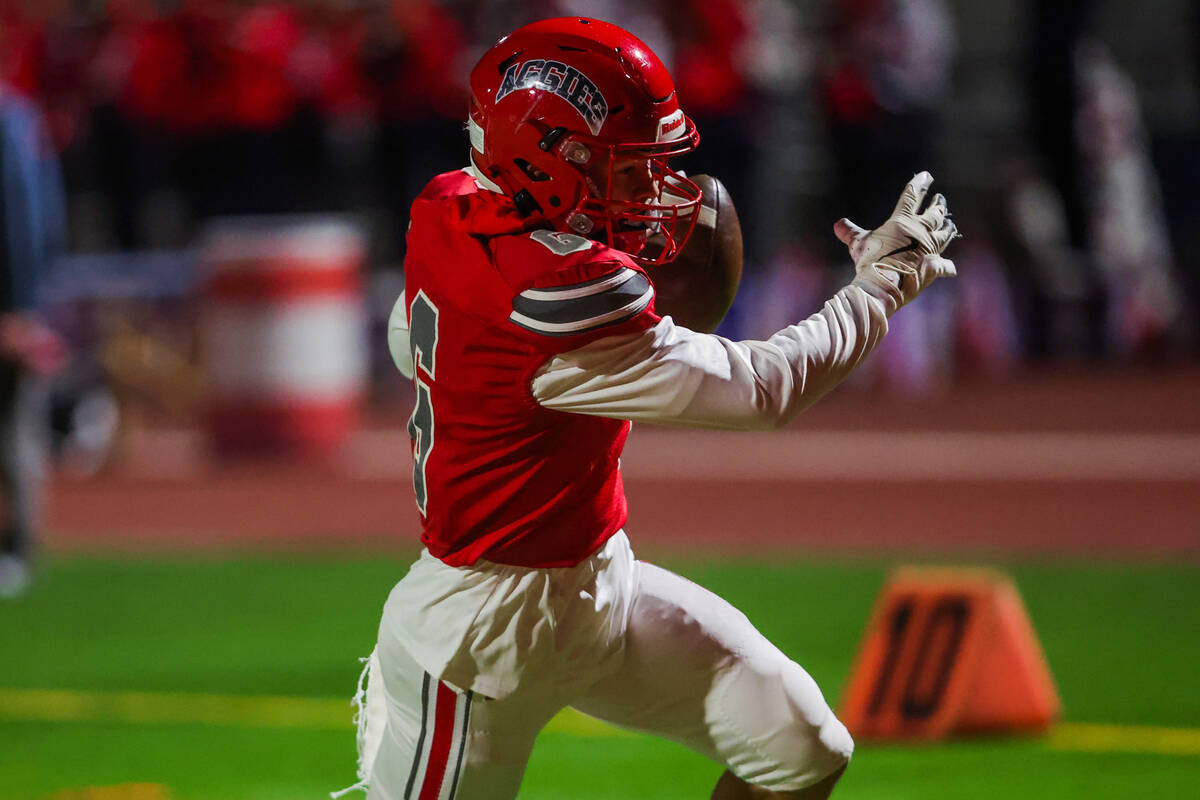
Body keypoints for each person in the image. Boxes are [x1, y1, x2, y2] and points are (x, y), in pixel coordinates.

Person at [339, 17, 956, 800]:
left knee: (801, 746)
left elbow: (410, 335)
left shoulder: (460, 207)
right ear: (549, 161)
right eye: (628, 171)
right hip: (479, 635)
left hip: (600, 588)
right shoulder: (553, 295)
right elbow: (765, 391)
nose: (658, 193)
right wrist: (880, 288)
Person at [0, 81, 68, 598]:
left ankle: (17, 552)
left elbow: (25, 219)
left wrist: (21, 309)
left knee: (12, 430)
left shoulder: (9, 120)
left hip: (8, 309)